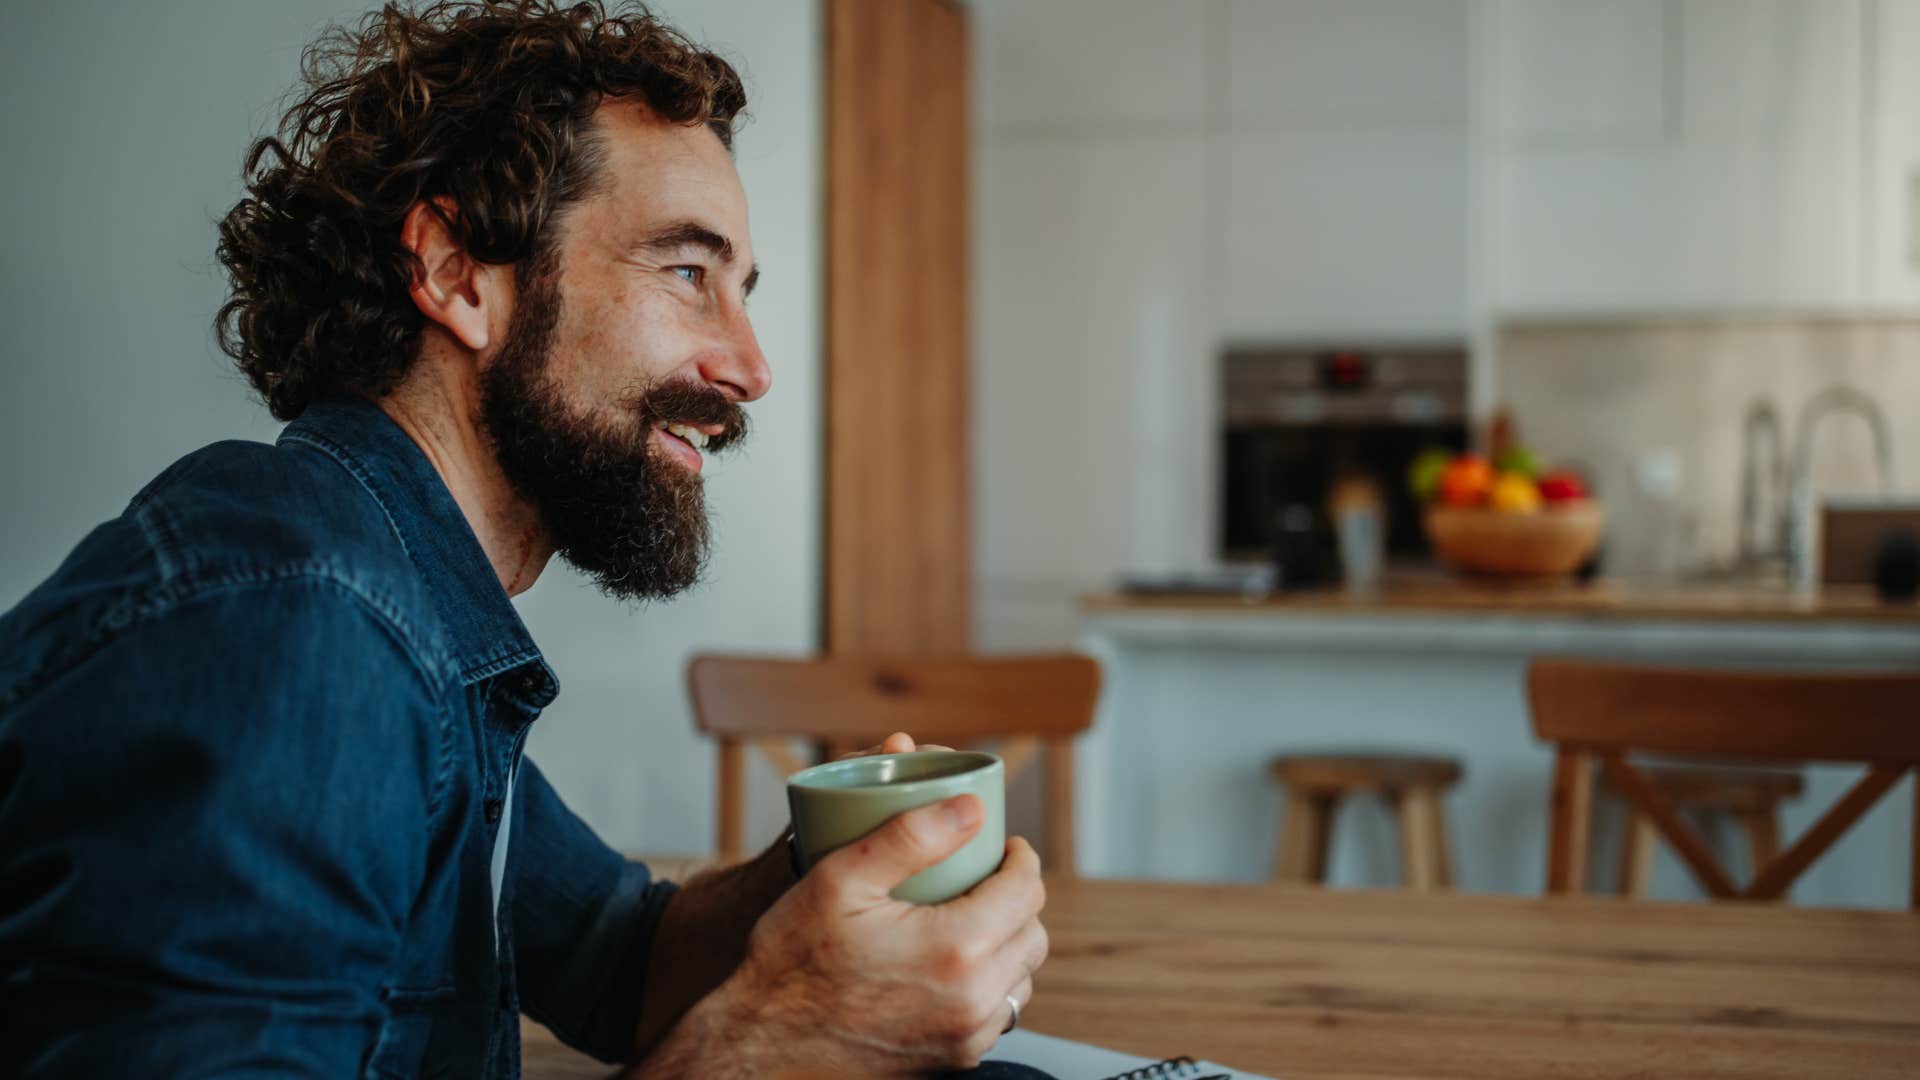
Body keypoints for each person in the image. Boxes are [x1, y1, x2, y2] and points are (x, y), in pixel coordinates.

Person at [0, 2, 1047, 1076]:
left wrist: (824, 876)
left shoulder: (421, 618)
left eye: (743, 291)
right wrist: (787, 1041)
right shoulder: (300, 622)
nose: (750, 367)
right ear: (457, 274)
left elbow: (617, 958)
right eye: (688, 273)